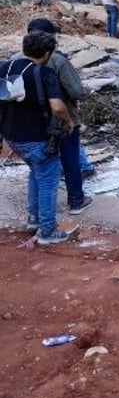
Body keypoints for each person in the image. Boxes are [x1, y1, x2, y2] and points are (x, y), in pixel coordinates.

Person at [0, 31, 75, 244]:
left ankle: (33, 219)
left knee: (36, 173)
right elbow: (58, 107)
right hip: (38, 137)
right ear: (47, 53)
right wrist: (69, 122)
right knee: (48, 181)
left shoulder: (5, 67)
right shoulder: (44, 73)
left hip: (12, 135)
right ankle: (47, 230)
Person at [17, 18, 94, 214]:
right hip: (61, 119)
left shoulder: (16, 60)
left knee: (38, 168)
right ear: (50, 38)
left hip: (31, 123)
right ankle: (76, 201)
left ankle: (33, 214)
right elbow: (76, 91)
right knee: (70, 160)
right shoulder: (57, 60)